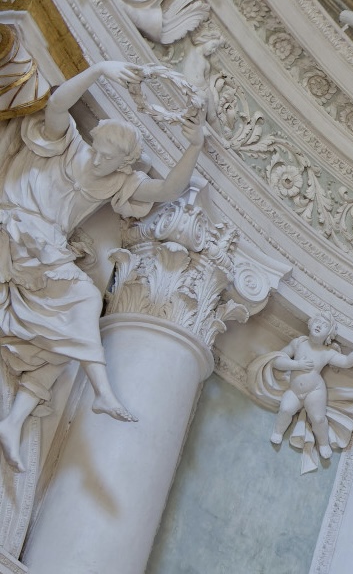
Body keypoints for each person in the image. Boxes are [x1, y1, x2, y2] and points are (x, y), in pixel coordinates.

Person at [0, 60, 202, 468]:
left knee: (62, 339)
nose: (97, 161)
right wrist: (100, 70)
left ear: (122, 165)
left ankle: (14, 420)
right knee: (84, 302)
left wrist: (195, 146)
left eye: (107, 158)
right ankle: (103, 392)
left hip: (46, 252)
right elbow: (57, 106)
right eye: (98, 149)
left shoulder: (118, 183)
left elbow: (168, 189)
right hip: (17, 227)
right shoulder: (71, 146)